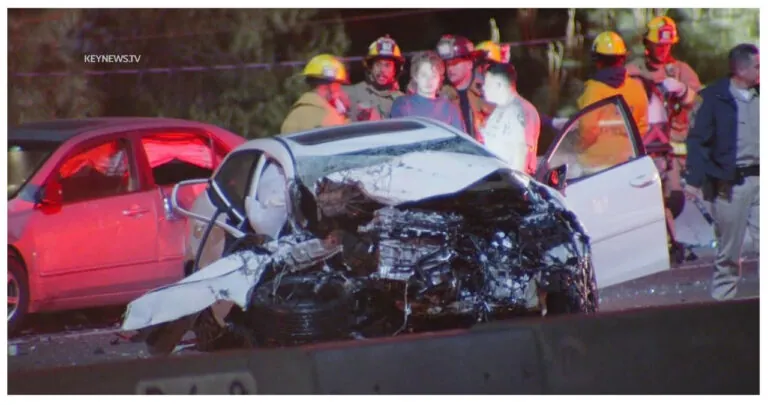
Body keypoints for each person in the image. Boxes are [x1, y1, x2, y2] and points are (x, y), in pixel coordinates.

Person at [685, 43, 759, 301]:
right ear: (741, 69)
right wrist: (693, 180)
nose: (762, 72)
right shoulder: (713, 97)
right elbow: (697, 141)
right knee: (729, 253)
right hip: (731, 184)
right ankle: (722, 307)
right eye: (758, 67)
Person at [626, 16, 702, 260]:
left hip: (671, 151)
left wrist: (683, 91)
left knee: (674, 200)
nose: (663, 50)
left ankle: (666, 241)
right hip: (641, 148)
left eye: (667, 45)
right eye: (658, 45)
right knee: (646, 201)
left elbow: (701, 106)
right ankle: (660, 245)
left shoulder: (681, 71)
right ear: (646, 43)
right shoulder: (633, 71)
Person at [564, 31, 649, 175]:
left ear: (597, 60)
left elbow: (587, 131)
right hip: (628, 163)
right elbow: (642, 128)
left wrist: (576, 148)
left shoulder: (593, 91)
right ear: (622, 58)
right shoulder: (636, 88)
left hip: (595, 166)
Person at [481, 62, 541, 174]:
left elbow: (521, 154)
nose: (483, 88)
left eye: (487, 83)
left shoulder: (522, 111)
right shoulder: (498, 110)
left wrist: (513, 188)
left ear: (499, 84)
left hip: (508, 183)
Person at [436, 34, 495, 143]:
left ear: (469, 63)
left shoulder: (488, 92)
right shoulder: (440, 95)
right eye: (448, 64)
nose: (450, 68)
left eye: (455, 63)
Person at [389, 50, 464, 132]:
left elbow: (460, 140)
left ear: (440, 78)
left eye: (434, 76)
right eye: (424, 75)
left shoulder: (451, 108)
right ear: (415, 76)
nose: (429, 81)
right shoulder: (402, 104)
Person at [281, 54, 351, 134]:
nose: (341, 90)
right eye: (339, 85)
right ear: (330, 86)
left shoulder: (294, 114)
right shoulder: (330, 116)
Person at [344, 35, 404, 121]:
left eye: (387, 65)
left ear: (395, 70)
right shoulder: (353, 92)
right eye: (378, 64)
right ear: (370, 67)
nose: (382, 70)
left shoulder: (402, 101)